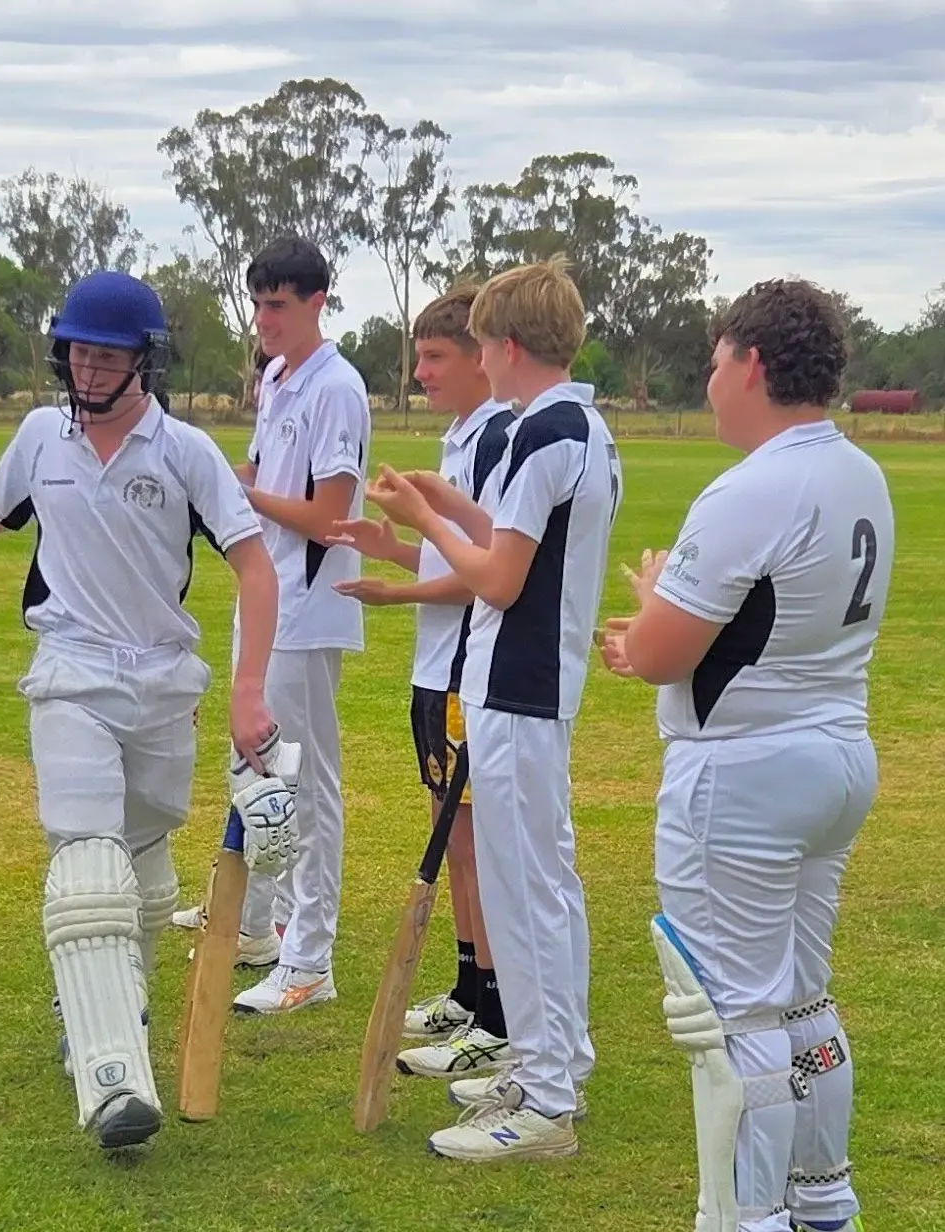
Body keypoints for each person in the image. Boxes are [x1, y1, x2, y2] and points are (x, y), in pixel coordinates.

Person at [0, 269, 290, 1150]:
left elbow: (256, 568)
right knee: (87, 855)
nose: (89, 366)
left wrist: (247, 689)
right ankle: (111, 1068)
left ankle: (114, 1005)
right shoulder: (39, 436)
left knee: (144, 872)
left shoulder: (183, 451)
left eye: (108, 354)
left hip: (161, 680)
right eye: (77, 350)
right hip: (68, 670)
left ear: (144, 361)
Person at [600, 279, 890, 1232]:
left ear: (753, 363)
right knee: (802, 1003)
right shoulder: (859, 472)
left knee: (734, 1017)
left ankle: (749, 1218)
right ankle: (824, 1202)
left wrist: (640, 624)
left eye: (716, 360)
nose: (710, 379)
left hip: (745, 770)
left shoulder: (751, 485)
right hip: (836, 753)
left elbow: (658, 653)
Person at [357, 257, 620, 1161]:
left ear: (506, 346)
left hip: (518, 685)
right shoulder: (574, 424)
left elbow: (500, 580)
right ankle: (553, 1063)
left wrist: (430, 528)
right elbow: (514, 537)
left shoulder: (544, 431)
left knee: (529, 891)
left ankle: (547, 1103)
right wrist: (444, 504)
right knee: (541, 884)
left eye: (477, 344)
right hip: (529, 687)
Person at [173, 236, 370, 1012]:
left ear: (317, 303)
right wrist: (214, 479)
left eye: (278, 305)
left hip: (310, 608)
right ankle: (255, 924)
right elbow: (259, 475)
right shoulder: (279, 379)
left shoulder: (338, 389)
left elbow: (329, 516)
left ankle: (311, 959)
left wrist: (242, 497)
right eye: (256, 303)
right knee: (255, 768)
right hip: (265, 597)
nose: (263, 319)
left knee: (305, 785)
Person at [329, 284, 516, 1077]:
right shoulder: (457, 437)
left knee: (472, 847)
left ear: (483, 356)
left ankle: (498, 1012)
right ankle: (470, 989)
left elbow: (487, 576)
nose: (420, 374)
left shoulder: (493, 440)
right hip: (433, 671)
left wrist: (395, 591)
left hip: (462, 672)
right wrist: (391, 550)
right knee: (455, 836)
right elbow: (449, 557)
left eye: (435, 357)